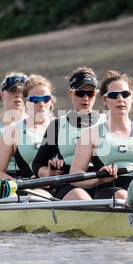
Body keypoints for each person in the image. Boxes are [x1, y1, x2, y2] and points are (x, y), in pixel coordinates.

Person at [69, 70, 133, 200]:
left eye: (125, 94)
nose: (120, 99)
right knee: (126, 196)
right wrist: (99, 179)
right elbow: (75, 176)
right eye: (114, 95)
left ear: (132, 98)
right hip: (110, 191)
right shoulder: (90, 134)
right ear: (104, 100)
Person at [32, 66, 105, 200]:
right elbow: (37, 164)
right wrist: (49, 172)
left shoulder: (106, 122)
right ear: (70, 93)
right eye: (80, 93)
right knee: (81, 198)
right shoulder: (58, 125)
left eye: (91, 93)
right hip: (68, 183)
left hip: (102, 183)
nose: (86, 98)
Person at [0, 74, 54, 196]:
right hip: (33, 192)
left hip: (64, 185)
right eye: (35, 99)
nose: (41, 104)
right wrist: (26, 185)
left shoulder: (62, 126)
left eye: (46, 99)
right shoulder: (12, 131)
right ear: (25, 101)